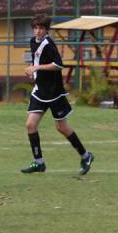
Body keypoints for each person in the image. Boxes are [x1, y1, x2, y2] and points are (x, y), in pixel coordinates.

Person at [20, 14, 95, 176]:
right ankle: (39, 162)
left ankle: (86, 155)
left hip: (54, 93)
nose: (37, 31)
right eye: (35, 28)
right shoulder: (33, 42)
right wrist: (32, 69)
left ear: (46, 30)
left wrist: (37, 68)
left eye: (41, 28)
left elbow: (58, 65)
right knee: (30, 125)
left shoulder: (49, 44)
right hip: (40, 91)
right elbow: (37, 61)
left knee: (62, 127)